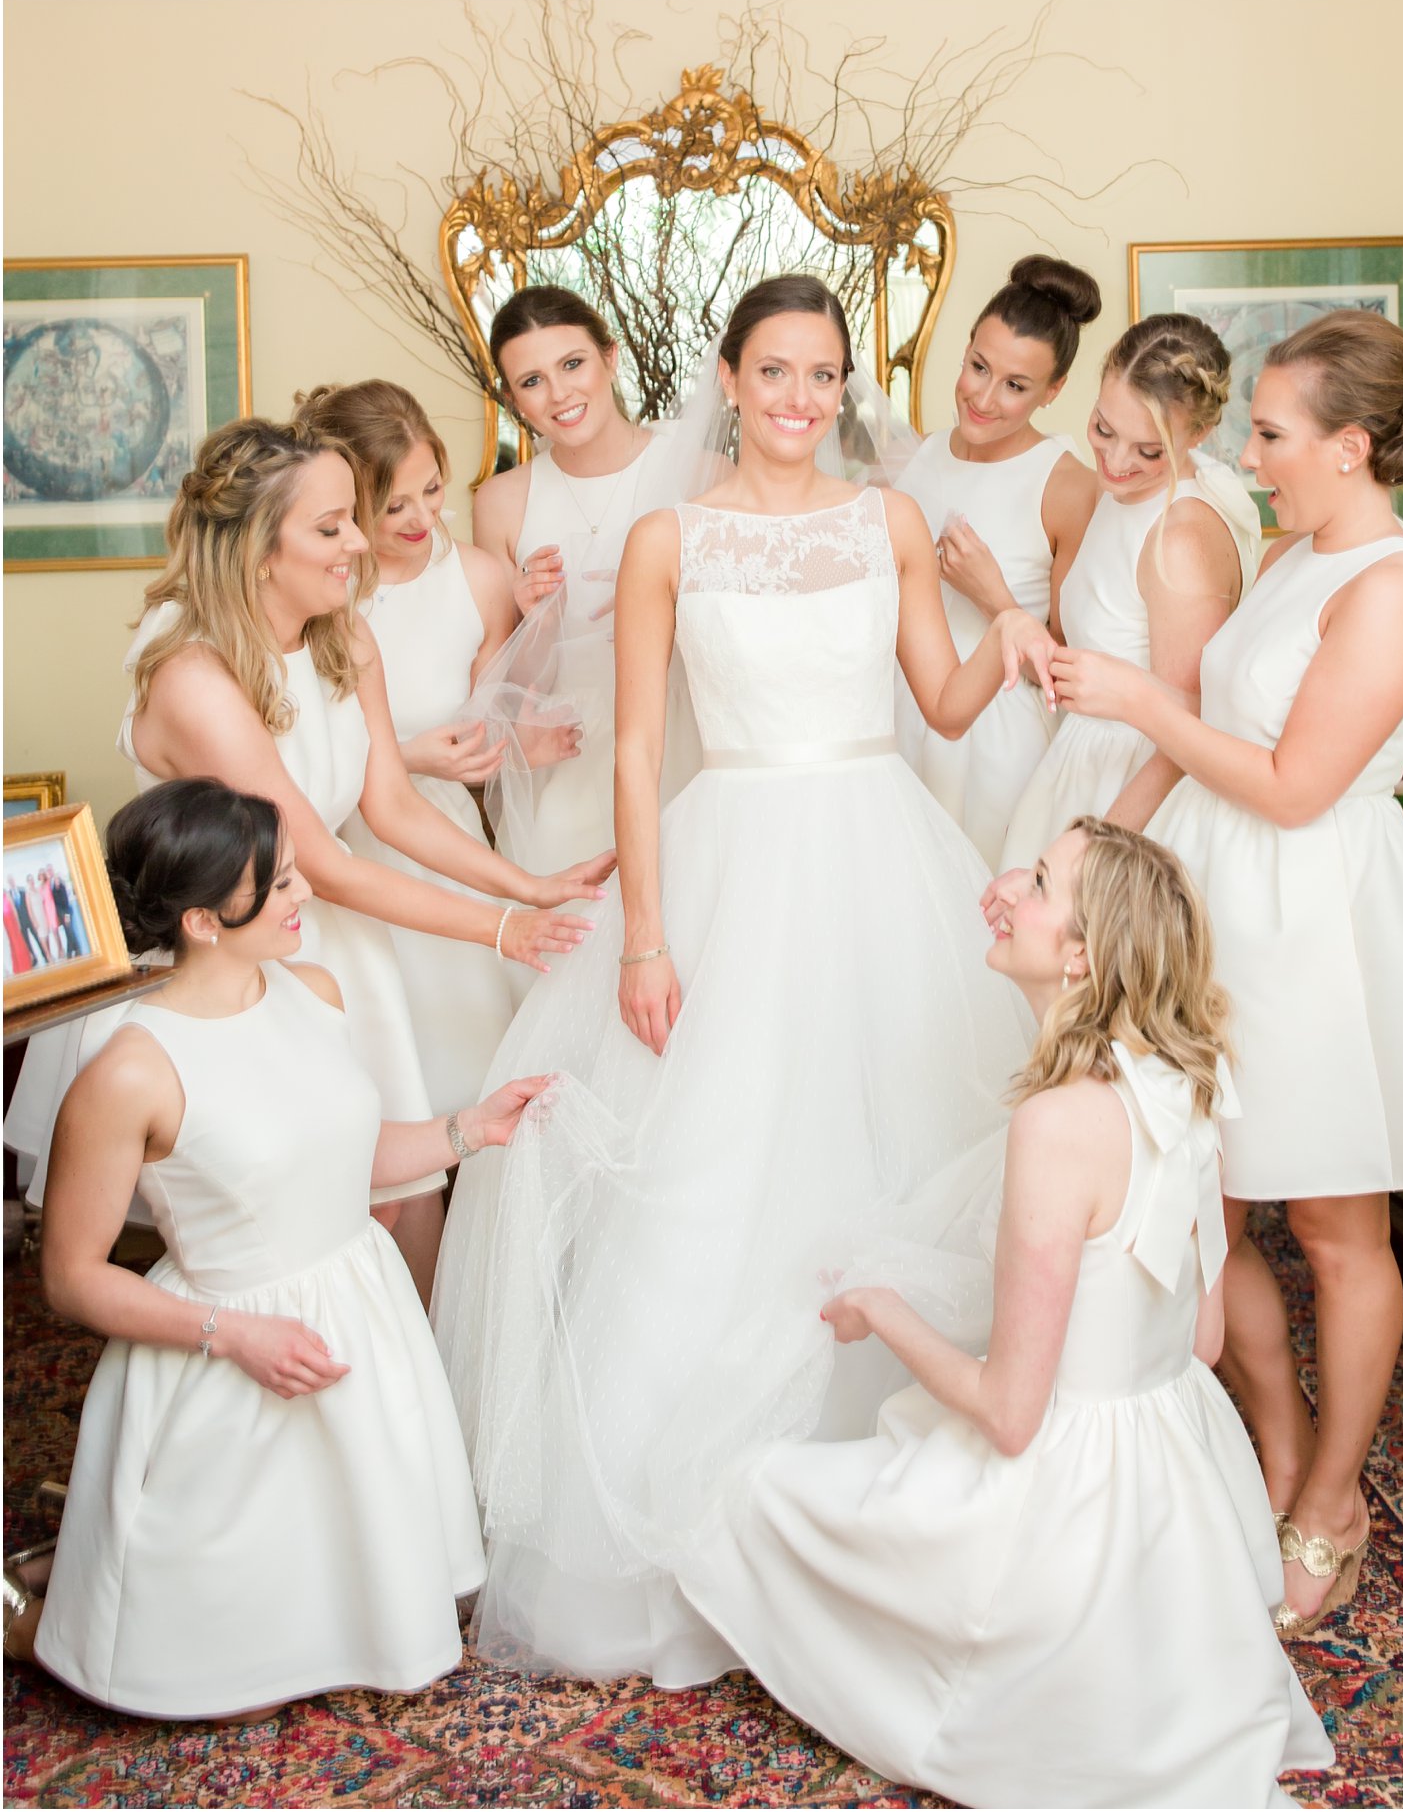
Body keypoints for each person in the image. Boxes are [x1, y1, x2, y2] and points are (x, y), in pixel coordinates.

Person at [432, 275, 1039, 1685]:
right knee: (710, 1173)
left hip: (883, 849)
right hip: (730, 862)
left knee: (898, 1140)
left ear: (844, 387)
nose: (801, 398)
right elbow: (641, 753)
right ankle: (678, 1548)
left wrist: (1006, 626)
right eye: (777, 370)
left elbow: (940, 702)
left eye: (825, 375)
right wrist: (646, 935)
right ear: (726, 372)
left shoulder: (884, 519)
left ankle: (901, 1536)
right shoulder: (666, 538)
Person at [674, 818, 1334, 1807]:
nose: (1007, 890)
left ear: (1077, 953)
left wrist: (883, 1312)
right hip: (1179, 1489)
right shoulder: (1182, 1081)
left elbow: (1013, 1416)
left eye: (1035, 881)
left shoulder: (1057, 1121)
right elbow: (1200, 1344)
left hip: (1062, 1513)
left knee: (746, 1498)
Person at [1047, 310, 1403, 1634]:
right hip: (1219, 901)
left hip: (1314, 925)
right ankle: (1284, 1433)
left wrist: (1142, 702)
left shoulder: (1397, 586)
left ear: (1352, 443)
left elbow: (1300, 785)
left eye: (1269, 431)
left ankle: (1330, 1498)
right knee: (1205, 1203)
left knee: (1333, 1230)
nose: (1246, 455)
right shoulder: (1300, 549)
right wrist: (1107, 844)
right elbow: (1228, 724)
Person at [5, 417, 609, 1303]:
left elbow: (392, 804)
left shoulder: (341, 636)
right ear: (258, 550)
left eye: (351, 519)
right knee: (303, 1213)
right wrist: (503, 929)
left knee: (406, 1196)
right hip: (231, 952)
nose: (360, 544)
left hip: (329, 941)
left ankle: (412, 1402)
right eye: (331, 527)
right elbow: (318, 860)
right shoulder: (198, 681)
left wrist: (528, 882)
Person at [1, 779, 550, 1717]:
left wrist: (470, 1129)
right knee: (222, 1689)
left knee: (351, 1620)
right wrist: (235, 1335)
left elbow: (340, 1158)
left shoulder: (313, 991)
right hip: (225, 1352)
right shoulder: (129, 1068)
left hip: (355, 1320)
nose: (307, 895)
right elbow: (70, 1277)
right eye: (284, 884)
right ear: (205, 920)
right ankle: (26, 1618)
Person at [296, 379, 573, 1112]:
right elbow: (295, 738)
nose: (423, 518)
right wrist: (410, 755)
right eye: (394, 506)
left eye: (431, 490)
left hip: (443, 840)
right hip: (341, 840)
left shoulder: (478, 579)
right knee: (370, 1077)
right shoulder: (319, 592)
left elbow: (493, 717)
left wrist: (538, 625)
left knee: (463, 1063)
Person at [986, 312, 1260, 882]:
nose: (1114, 461)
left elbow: (1199, 730)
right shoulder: (1120, 497)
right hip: (1082, 766)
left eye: (1149, 450)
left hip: (1135, 803)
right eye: (1103, 429)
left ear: (1200, 435)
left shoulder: (1180, 537)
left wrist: (1098, 855)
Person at [467, 287, 699, 912]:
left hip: (680, 748)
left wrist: (666, 612)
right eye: (532, 381)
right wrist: (531, 617)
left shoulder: (700, 473)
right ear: (512, 398)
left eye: (573, 364)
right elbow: (498, 688)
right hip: (567, 764)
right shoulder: (500, 502)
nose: (560, 394)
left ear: (610, 358)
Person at [894, 256, 1100, 866]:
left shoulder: (1066, 486)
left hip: (997, 747)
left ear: (1053, 391)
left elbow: (1074, 675)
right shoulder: (920, 458)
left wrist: (996, 600)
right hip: (905, 717)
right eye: (978, 367)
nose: (983, 398)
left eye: (1015, 385)